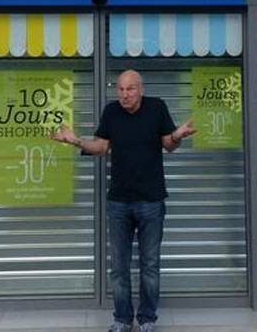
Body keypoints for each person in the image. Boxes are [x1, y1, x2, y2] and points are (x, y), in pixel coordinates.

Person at [51, 69, 196, 332]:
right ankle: (122, 319)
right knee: (119, 267)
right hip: (119, 202)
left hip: (151, 201)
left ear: (141, 89)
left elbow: (168, 145)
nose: (124, 94)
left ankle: (147, 319)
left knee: (150, 265)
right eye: (120, 89)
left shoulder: (157, 108)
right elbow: (101, 147)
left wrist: (176, 136)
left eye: (130, 89)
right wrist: (76, 141)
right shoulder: (111, 112)